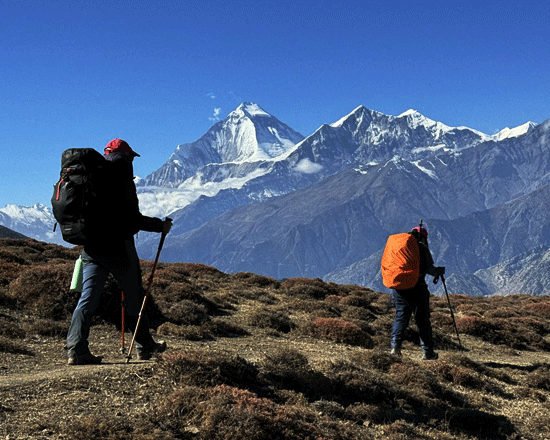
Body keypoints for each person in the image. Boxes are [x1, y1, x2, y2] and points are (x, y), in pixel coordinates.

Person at [66, 139, 172, 365]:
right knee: (134, 297)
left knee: (88, 299)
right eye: (130, 157)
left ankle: (76, 349)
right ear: (124, 158)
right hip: (119, 249)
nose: (132, 161)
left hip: (92, 248)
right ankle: (144, 347)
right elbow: (132, 219)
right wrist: (159, 226)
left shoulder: (92, 177)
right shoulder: (122, 180)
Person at [390, 225, 445, 360]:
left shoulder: (400, 247)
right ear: (422, 237)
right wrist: (439, 271)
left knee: (401, 317)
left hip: (399, 288)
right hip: (417, 288)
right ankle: (428, 353)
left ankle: (395, 348)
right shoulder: (421, 248)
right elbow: (430, 270)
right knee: (422, 320)